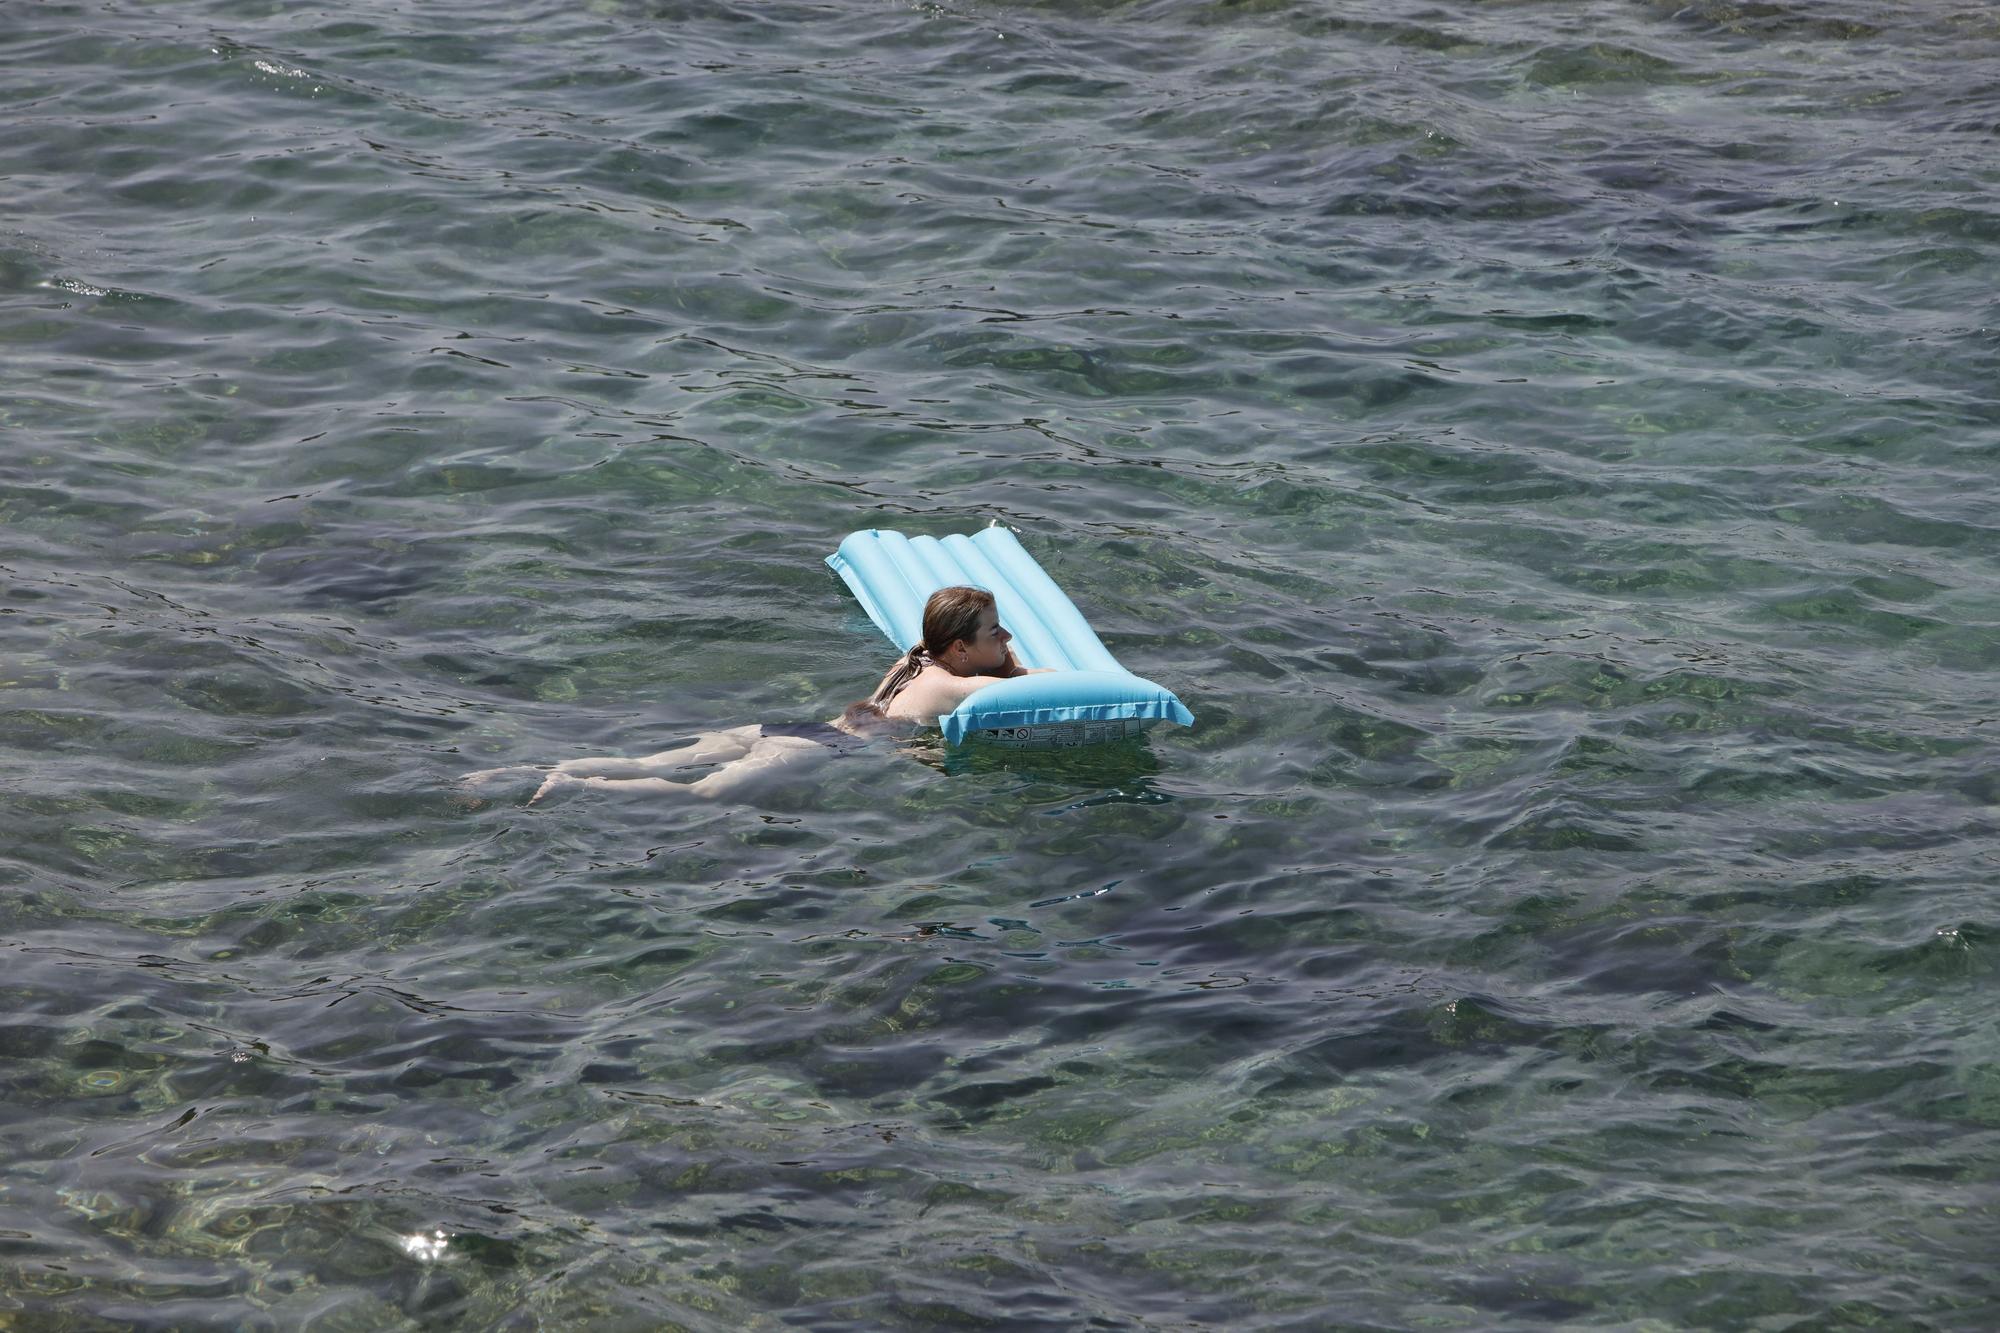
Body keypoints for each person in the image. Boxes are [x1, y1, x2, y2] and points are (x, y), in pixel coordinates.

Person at [461, 586, 1046, 803]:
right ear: (962, 649)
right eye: (996, 630)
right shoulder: (953, 685)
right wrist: (1015, 664)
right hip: (817, 753)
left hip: (792, 727)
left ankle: (537, 767)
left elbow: (988, 662)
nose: (1007, 636)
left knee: (655, 761)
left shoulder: (917, 658)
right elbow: (1040, 684)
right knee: (703, 795)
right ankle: (574, 786)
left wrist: (997, 650)